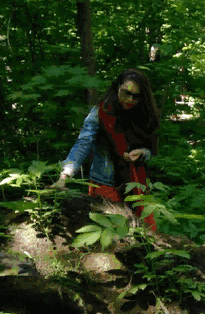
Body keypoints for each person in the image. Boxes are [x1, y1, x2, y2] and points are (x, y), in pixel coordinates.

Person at [53, 69, 160, 231]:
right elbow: (83, 143)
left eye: (136, 96)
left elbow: (150, 150)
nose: (130, 99)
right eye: (126, 93)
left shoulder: (142, 115)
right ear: (117, 87)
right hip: (105, 184)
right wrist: (64, 175)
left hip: (135, 186)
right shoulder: (101, 112)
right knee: (111, 234)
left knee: (140, 234)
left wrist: (142, 153)